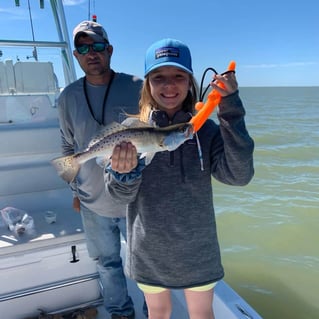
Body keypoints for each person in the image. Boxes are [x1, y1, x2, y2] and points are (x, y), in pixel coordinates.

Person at [104, 38, 255, 319]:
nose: (169, 85)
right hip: (148, 249)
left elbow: (239, 176)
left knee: (202, 314)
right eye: (159, 77)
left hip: (198, 250)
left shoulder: (206, 132)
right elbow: (119, 197)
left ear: (190, 82)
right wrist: (124, 175)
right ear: (147, 83)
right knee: (158, 314)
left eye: (178, 76)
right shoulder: (129, 131)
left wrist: (230, 109)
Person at [56, 20, 145, 319]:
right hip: (93, 202)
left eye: (96, 46)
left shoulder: (138, 87)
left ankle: (152, 314)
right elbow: (68, 146)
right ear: (76, 54)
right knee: (107, 265)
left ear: (109, 50)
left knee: (146, 265)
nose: (91, 53)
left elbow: (154, 139)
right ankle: (122, 315)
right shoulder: (67, 97)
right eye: (83, 47)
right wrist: (75, 191)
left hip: (137, 200)